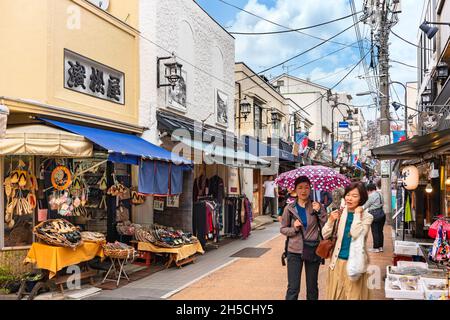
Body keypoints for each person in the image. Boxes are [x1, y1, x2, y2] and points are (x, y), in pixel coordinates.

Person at [322, 182, 373, 300]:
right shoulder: (340, 213)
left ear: (362, 198)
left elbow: (356, 234)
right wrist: (330, 220)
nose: (350, 198)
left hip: (355, 264)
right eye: (348, 195)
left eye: (355, 196)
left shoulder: (367, 217)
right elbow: (324, 234)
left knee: (353, 296)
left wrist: (357, 214)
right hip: (337, 262)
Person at [280, 176, 327, 300]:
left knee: (312, 287)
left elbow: (326, 227)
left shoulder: (317, 206)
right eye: (300, 187)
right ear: (295, 190)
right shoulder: (289, 208)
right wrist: (294, 228)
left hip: (312, 249)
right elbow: (283, 229)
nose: (303, 190)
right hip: (294, 251)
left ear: (310, 189)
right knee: (293, 288)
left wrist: (320, 211)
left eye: (306, 187)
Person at [364, 183, 385, 253]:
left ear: (369, 190)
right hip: (382, 213)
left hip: (374, 214)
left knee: (375, 231)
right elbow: (383, 202)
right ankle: (380, 247)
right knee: (380, 231)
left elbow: (366, 205)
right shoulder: (380, 194)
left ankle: (376, 248)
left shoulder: (371, 196)